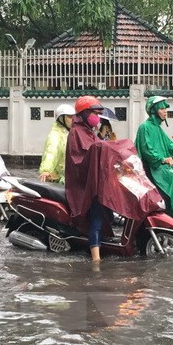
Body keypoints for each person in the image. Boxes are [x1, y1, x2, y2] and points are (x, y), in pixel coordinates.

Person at [65, 95, 107, 262]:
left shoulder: (89, 132)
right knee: (96, 214)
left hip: (97, 179)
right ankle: (96, 261)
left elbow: (101, 150)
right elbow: (80, 160)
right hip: (84, 185)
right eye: (94, 113)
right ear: (84, 113)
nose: (97, 117)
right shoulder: (76, 133)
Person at [135, 96, 173, 218]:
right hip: (153, 167)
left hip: (162, 166)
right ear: (154, 110)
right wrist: (162, 159)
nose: (165, 111)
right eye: (162, 109)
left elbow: (169, 144)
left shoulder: (158, 128)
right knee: (171, 180)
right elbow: (147, 150)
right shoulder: (145, 127)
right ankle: (170, 215)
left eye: (165, 108)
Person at [38, 104, 75, 183]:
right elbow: (51, 152)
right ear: (61, 119)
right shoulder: (55, 135)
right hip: (58, 180)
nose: (73, 119)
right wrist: (46, 170)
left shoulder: (69, 133)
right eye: (69, 117)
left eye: (73, 117)